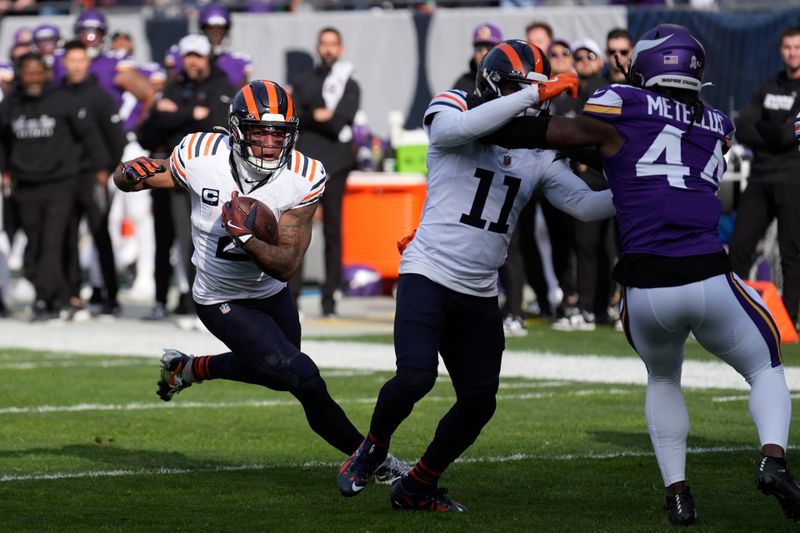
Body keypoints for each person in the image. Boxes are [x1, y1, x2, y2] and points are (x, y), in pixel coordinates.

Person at [519, 23, 800, 524]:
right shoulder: (717, 124)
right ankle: (773, 458)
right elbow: (674, 167)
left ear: (647, 63)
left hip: (643, 289)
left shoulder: (619, 102)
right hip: (704, 273)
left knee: (663, 376)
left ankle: (677, 492)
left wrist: (505, 120)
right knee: (765, 364)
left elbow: (583, 141)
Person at [337, 41, 614, 511]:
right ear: (493, 85)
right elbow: (460, 129)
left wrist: (647, 193)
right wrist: (531, 95)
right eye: (519, 88)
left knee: (480, 400)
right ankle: (373, 447)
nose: (532, 97)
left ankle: (418, 486)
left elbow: (586, 206)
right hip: (428, 272)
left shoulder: (538, 151)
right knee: (415, 378)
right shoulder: (455, 104)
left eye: (536, 91)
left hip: (481, 290)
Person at [113, 79, 408, 486]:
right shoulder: (201, 154)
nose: (270, 143)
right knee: (303, 377)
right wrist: (128, 175)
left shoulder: (305, 175)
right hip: (219, 297)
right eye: (259, 131)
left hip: (271, 292)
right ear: (236, 130)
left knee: (277, 374)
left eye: (279, 133)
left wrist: (247, 237)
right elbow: (153, 176)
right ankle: (375, 462)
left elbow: (286, 264)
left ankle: (189, 368)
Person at [0, 53, 108, 320]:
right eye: (28, 73)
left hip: (61, 182)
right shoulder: (10, 105)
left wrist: (101, 168)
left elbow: (89, 135)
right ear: (20, 76)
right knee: (34, 243)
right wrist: (4, 171)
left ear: (46, 73)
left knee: (52, 242)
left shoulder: (63, 100)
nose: (34, 78)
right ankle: (58, 297)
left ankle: (42, 299)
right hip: (25, 184)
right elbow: (2, 141)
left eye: (38, 73)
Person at [731, 26, 800, 329]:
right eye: (787, 47)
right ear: (780, 50)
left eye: (797, 47)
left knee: (791, 251)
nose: (792, 53)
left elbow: (789, 136)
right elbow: (743, 126)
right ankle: (733, 311)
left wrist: (771, 131)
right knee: (740, 244)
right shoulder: (768, 85)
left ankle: (789, 318)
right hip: (759, 177)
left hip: (793, 178)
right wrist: (777, 131)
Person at [290, 27, 360, 317]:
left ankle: (329, 299)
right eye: (324, 44)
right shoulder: (304, 81)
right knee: (295, 231)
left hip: (337, 165)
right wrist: (317, 115)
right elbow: (296, 117)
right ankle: (290, 298)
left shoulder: (350, 85)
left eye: (334, 44)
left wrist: (315, 115)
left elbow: (339, 122)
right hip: (306, 166)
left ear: (341, 48)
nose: (329, 49)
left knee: (333, 232)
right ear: (318, 47)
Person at [61, 39, 127, 318]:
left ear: (87, 63)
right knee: (67, 236)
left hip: (94, 176)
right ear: (64, 63)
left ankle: (110, 297)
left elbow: (118, 139)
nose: (76, 66)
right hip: (63, 177)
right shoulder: (58, 95)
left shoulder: (100, 96)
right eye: (71, 61)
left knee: (101, 236)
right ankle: (73, 294)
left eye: (81, 61)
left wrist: (107, 170)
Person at [164, 4, 253, 88]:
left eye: (220, 29)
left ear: (227, 30)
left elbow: (242, 94)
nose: (216, 34)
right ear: (202, 29)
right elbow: (171, 87)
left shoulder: (237, 60)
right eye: (210, 29)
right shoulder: (182, 53)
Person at [451, 23, 502, 93]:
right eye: (479, 48)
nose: (483, 52)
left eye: (489, 47)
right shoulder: (463, 84)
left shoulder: (509, 83)